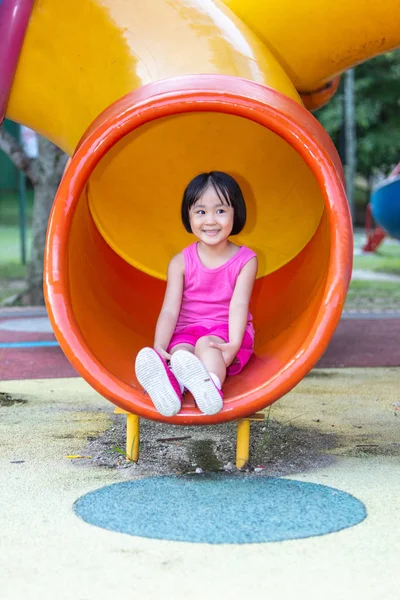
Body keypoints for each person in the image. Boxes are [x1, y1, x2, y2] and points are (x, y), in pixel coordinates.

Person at [135, 171, 258, 417]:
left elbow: (238, 305)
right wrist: (160, 344)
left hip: (226, 331)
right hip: (187, 330)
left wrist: (233, 344)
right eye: (201, 212)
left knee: (206, 345)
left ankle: (211, 385)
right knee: (181, 352)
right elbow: (170, 309)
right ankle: (174, 387)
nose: (210, 220)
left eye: (221, 211)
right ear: (188, 216)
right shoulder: (179, 262)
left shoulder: (246, 260)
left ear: (236, 213)